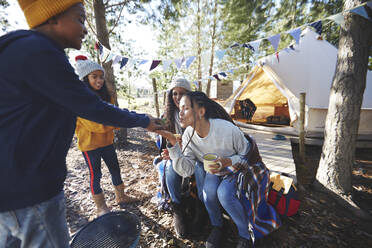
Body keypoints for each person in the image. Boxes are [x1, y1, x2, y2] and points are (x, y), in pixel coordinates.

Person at [0, 1, 163, 247]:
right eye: (79, 19)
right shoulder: (40, 53)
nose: (85, 29)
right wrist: (144, 121)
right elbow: (94, 110)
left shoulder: (18, 50)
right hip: (30, 193)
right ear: (53, 17)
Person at [156, 91, 281, 248]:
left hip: (238, 167)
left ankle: (245, 234)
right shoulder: (188, 135)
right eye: (180, 108)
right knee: (207, 195)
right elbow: (186, 170)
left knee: (224, 194)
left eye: (185, 108)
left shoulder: (226, 129)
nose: (180, 113)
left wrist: (227, 161)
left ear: (201, 112)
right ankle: (217, 226)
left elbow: (248, 153)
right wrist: (173, 144)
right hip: (215, 170)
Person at [74, 55, 138, 217]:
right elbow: (95, 125)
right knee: (96, 174)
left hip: (106, 142)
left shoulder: (106, 96)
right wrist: (116, 123)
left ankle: (121, 196)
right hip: (90, 145)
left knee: (115, 169)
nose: (99, 80)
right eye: (94, 77)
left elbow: (113, 114)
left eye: (101, 77)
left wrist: (116, 119)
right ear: (85, 78)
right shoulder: (80, 100)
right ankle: (101, 206)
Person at [154, 78, 206, 238]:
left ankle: (201, 209)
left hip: (197, 154)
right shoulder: (166, 115)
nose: (177, 97)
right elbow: (162, 142)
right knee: (169, 166)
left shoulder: (197, 112)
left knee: (200, 167)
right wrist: (166, 151)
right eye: (174, 93)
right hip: (176, 153)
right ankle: (178, 208)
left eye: (182, 93)